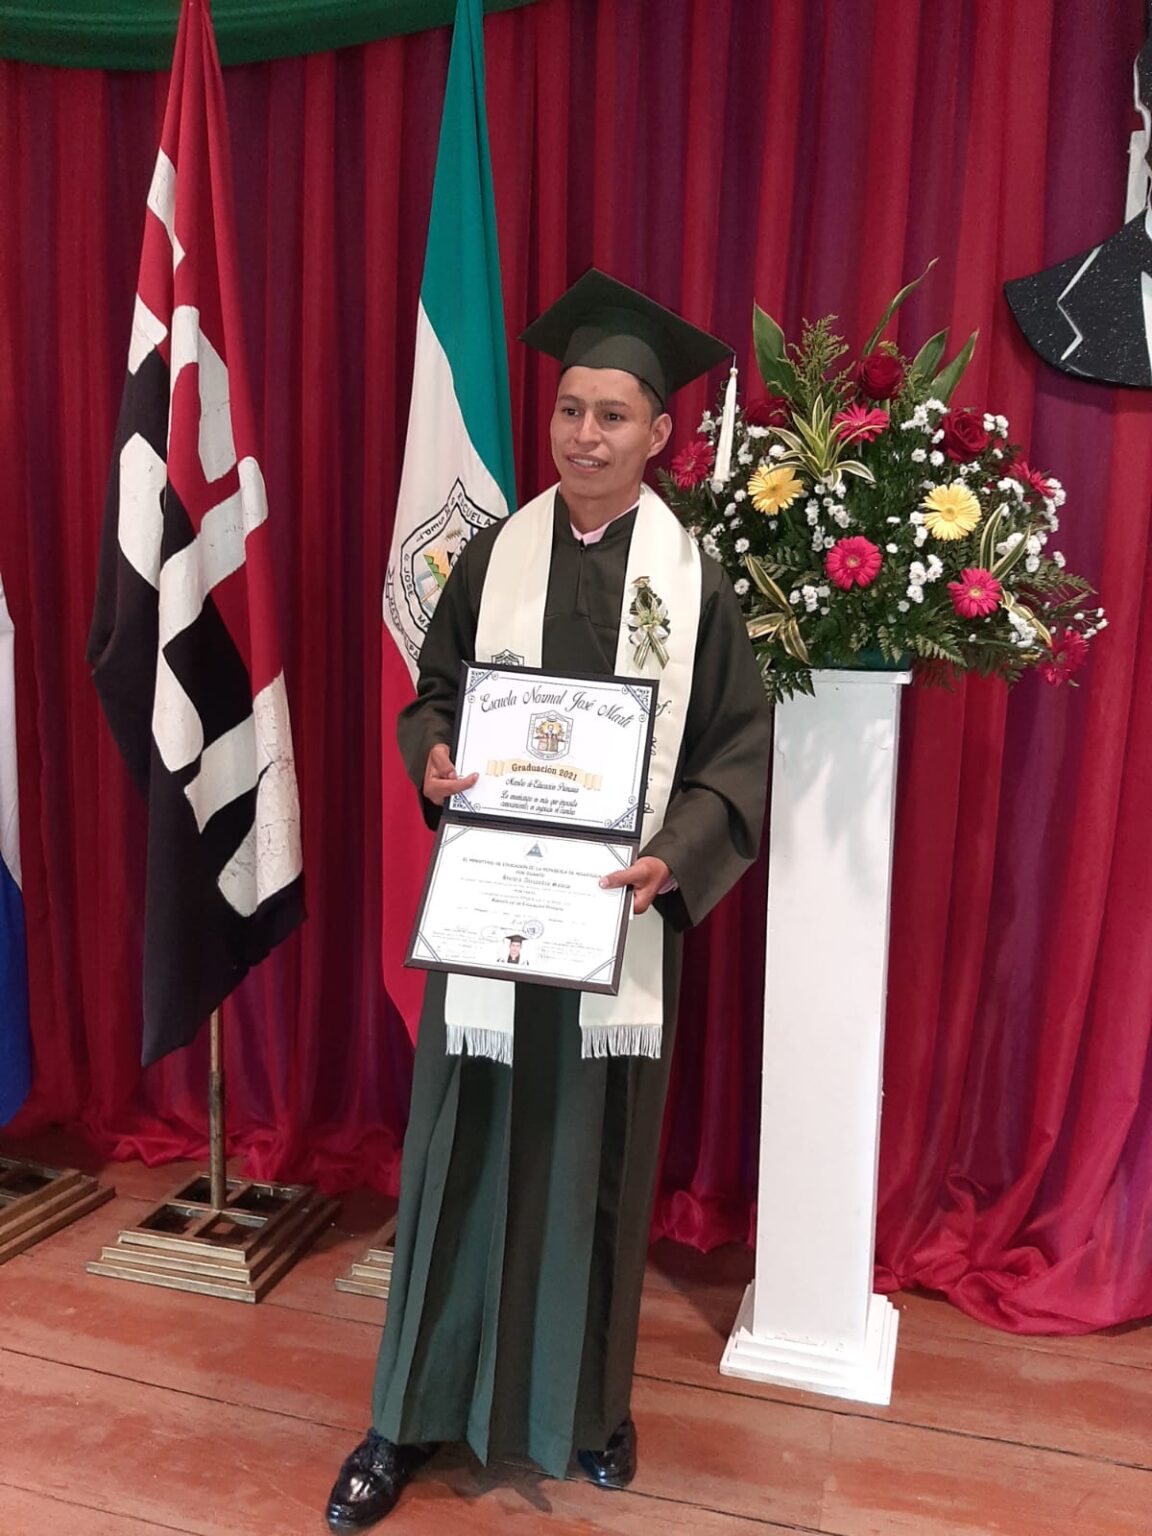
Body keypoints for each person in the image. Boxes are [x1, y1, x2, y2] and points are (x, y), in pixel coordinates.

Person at [325, 270, 772, 1531]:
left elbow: (736, 753)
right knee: (456, 1149)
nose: (584, 434)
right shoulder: (495, 553)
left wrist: (674, 855)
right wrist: (433, 756)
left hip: (615, 921)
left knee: (597, 1162)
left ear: (659, 433)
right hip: (492, 916)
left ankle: (589, 1409)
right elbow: (436, 694)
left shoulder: (693, 581)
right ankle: (405, 1416)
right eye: (571, 409)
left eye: (612, 415)